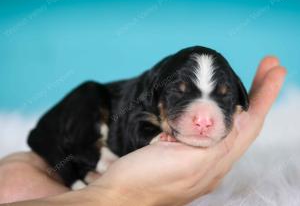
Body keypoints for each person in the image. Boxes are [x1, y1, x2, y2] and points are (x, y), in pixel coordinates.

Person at [0, 57, 286, 206]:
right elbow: (135, 129)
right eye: (180, 94)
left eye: (222, 96)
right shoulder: (140, 103)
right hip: (78, 121)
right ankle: (83, 167)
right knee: (88, 101)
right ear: (156, 93)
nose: (203, 119)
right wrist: (115, 196)